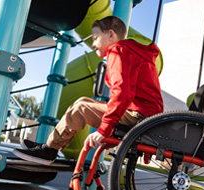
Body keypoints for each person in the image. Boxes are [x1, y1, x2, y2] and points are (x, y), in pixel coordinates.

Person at [13, 16, 164, 165]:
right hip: (146, 116)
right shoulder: (133, 52)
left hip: (138, 117)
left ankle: (49, 151)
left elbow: (122, 94)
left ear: (110, 35)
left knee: (81, 108)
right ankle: (50, 147)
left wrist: (104, 130)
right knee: (82, 101)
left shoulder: (118, 50)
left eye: (96, 38)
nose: (93, 45)